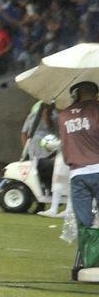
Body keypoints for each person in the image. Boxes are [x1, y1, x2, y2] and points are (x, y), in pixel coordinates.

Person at [58, 81, 99, 279]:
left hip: (77, 173)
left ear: (76, 94)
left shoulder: (64, 114)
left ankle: (85, 261)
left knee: (84, 221)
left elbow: (64, 147)